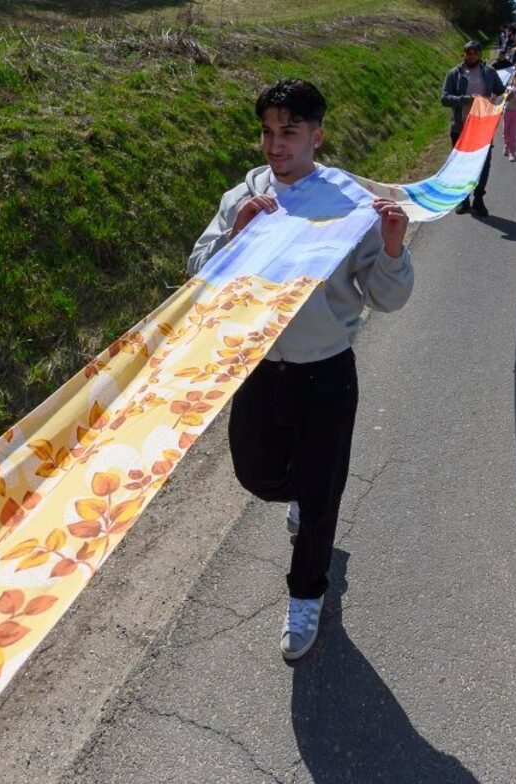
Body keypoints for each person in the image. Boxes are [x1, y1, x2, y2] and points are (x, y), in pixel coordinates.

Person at [186, 79, 415, 661]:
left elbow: (386, 298)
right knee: (256, 475)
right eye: (267, 132)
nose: (274, 145)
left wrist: (392, 249)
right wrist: (235, 234)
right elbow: (198, 274)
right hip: (258, 367)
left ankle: (307, 592)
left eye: (288, 131)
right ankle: (302, 491)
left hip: (325, 373)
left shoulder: (351, 206)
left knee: (320, 499)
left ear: (318, 135)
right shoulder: (245, 196)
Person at [440, 40, 506, 217]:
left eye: (475, 53)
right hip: (460, 128)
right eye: (468, 53)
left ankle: (478, 199)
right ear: (464, 54)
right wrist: (467, 99)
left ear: (480, 54)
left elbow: (501, 91)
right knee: (461, 166)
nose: (471, 56)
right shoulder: (454, 73)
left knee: (483, 166)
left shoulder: (489, 72)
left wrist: (507, 95)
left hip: (483, 128)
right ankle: (463, 200)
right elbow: (444, 99)